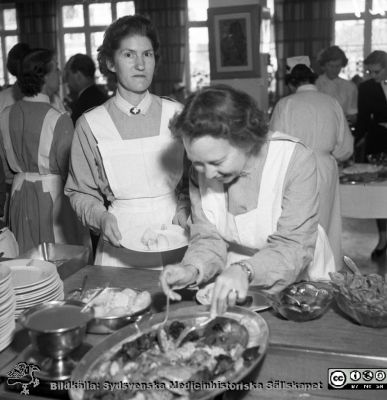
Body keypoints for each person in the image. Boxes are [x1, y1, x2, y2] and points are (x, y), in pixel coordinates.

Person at [160, 85, 335, 316]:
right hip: (234, 275)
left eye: (217, 162)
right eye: (198, 163)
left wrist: (245, 270)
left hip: (297, 276)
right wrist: (192, 269)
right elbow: (207, 237)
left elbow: (293, 245)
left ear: (246, 140)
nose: (208, 175)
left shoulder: (294, 160)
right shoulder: (200, 170)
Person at [65, 15, 189, 268]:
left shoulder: (178, 114)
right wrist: (100, 218)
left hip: (176, 234)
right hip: (120, 240)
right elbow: (81, 191)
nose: (141, 64)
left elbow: (195, 180)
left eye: (148, 54)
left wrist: (186, 209)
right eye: (129, 55)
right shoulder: (91, 124)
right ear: (111, 62)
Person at [0, 48, 90, 253]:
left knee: (24, 258)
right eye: (56, 69)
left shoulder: (5, 115)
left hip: (18, 195)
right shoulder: (59, 119)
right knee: (60, 258)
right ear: (45, 76)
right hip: (54, 198)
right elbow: (72, 172)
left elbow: (5, 170)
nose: (60, 74)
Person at [270, 59, 354, 269]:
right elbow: (345, 148)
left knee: (298, 221)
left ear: (291, 84)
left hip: (295, 168)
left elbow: (273, 145)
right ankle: (328, 271)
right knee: (327, 221)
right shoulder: (331, 102)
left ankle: (301, 273)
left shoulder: (286, 104)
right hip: (325, 167)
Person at [356, 50, 387, 259]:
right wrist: (354, 142)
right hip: (379, 143)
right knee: (380, 194)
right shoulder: (366, 88)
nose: (373, 76)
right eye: (370, 71)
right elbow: (363, 119)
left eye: (376, 71)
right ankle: (383, 238)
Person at [315, 45, 358, 124]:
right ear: (323, 66)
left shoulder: (350, 86)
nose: (334, 70)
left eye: (338, 66)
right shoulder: (315, 84)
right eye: (331, 66)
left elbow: (353, 113)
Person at [64, 53, 109, 124]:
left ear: (78, 76)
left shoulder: (82, 105)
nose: (66, 81)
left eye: (68, 75)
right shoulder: (102, 98)